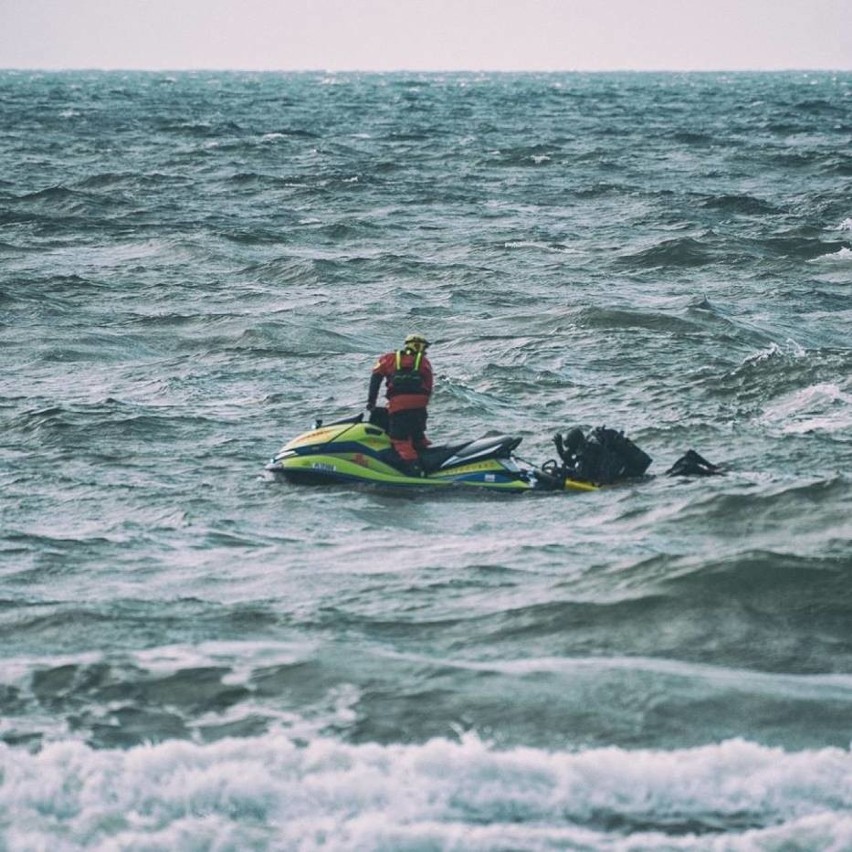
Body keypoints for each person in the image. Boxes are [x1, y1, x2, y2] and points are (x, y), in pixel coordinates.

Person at [367, 333, 433, 472]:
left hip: (399, 407)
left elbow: (375, 380)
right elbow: (428, 386)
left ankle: (413, 471)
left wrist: (371, 402)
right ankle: (428, 462)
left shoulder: (388, 359)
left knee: (400, 440)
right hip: (420, 407)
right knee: (417, 436)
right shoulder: (424, 362)